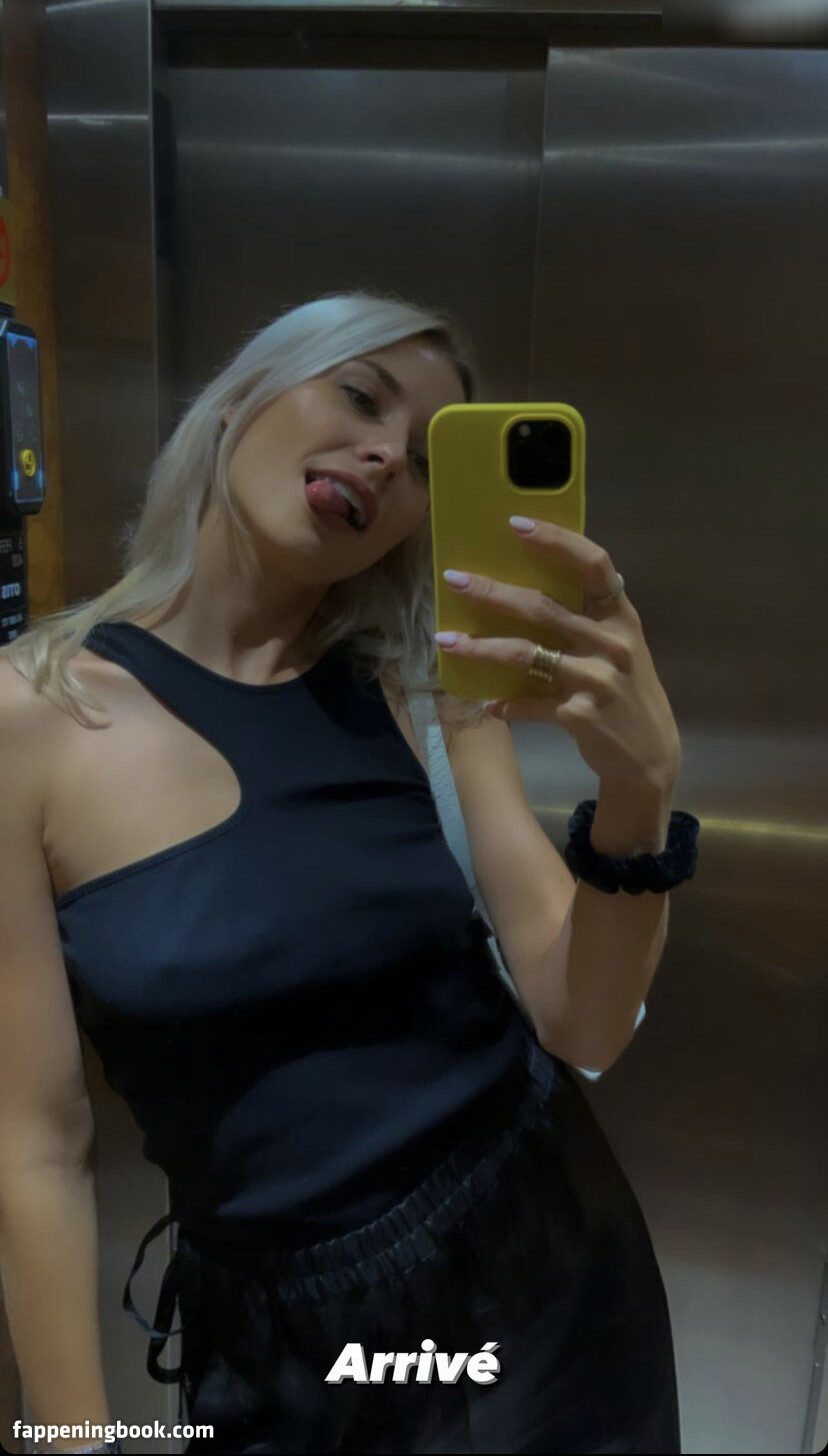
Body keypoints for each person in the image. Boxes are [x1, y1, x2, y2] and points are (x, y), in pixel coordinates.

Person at [0, 289, 698, 1454]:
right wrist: (70, 1440)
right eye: (359, 396)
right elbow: (32, 1138)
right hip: (280, 1348)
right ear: (237, 402)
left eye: (423, 461)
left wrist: (641, 793)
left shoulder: (422, 691)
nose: (382, 456)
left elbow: (584, 1020)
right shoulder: (31, 719)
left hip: (542, 1280)